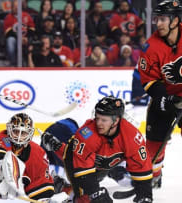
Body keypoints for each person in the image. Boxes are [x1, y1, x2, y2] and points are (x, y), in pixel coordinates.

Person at [42, 96, 153, 203]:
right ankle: (63, 186)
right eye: (97, 117)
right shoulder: (88, 134)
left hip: (96, 162)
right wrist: (95, 193)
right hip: (78, 155)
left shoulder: (131, 136)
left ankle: (61, 184)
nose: (98, 123)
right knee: (86, 198)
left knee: (96, 178)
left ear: (116, 121)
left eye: (103, 120)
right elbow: (79, 165)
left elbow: (141, 167)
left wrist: (145, 193)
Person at [138, 0, 182, 189]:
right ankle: (154, 175)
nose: (159, 23)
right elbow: (148, 79)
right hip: (165, 95)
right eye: (157, 19)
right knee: (155, 141)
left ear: (175, 20)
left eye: (163, 19)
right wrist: (163, 98)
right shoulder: (151, 47)